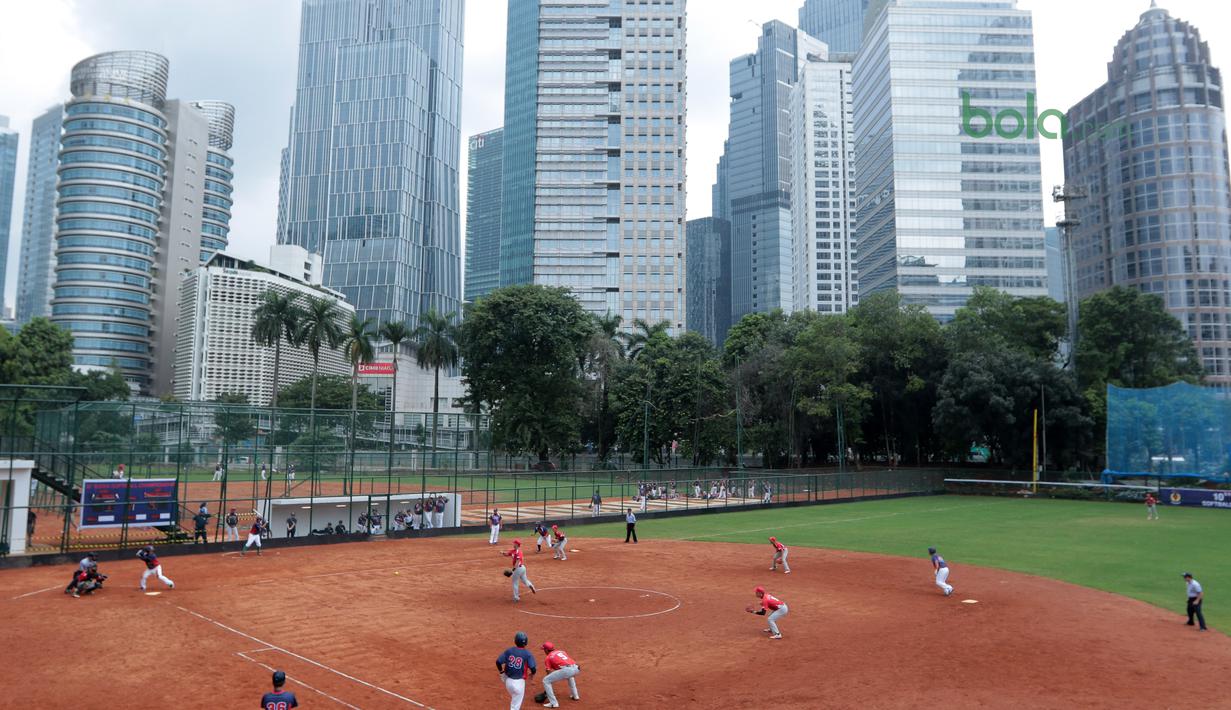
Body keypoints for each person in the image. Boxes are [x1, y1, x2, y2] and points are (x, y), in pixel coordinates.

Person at [497, 631, 537, 710]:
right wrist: (532, 674)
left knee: (514, 700)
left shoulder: (509, 651)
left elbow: (498, 662)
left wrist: (501, 672)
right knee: (515, 706)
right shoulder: (527, 654)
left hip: (508, 682)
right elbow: (533, 668)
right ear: (526, 642)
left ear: (515, 641)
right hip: (519, 683)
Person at [539, 641, 581, 707]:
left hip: (567, 670)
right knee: (570, 675)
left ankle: (553, 703)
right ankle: (575, 695)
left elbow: (549, 672)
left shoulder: (548, 657)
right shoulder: (562, 652)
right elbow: (565, 662)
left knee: (546, 680)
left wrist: (547, 690)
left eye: (544, 649)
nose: (544, 651)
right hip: (576, 668)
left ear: (546, 650)